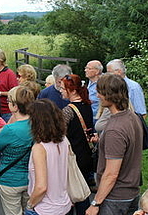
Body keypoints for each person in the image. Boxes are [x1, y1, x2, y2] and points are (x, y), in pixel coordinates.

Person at [85, 73, 143, 215]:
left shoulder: (114, 129)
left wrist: (95, 203)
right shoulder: (133, 117)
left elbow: (111, 174)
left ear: (109, 95)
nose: (97, 95)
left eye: (100, 92)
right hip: (132, 192)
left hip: (115, 198)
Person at [0, 86, 35, 215]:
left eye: (9, 101)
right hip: (32, 178)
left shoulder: (10, 129)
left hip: (10, 179)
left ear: (15, 106)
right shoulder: (38, 124)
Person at [25, 99, 72, 215]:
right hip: (64, 204)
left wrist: (30, 205)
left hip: (44, 208)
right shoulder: (64, 140)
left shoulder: (39, 148)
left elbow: (41, 187)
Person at [61, 74, 94, 215]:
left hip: (74, 158)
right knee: (83, 191)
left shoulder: (68, 111)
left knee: (74, 195)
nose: (60, 91)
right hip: (87, 155)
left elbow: (59, 134)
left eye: (63, 88)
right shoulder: (87, 105)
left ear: (73, 90)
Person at [0, 49, 19, 122]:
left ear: (1, 59)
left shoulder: (9, 74)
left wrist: (0, 93)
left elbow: (15, 92)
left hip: (7, 111)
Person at [85, 60, 103, 125]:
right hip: (90, 117)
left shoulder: (102, 83)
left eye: (89, 68)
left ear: (97, 71)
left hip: (98, 118)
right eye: (86, 68)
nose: (85, 70)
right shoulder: (90, 82)